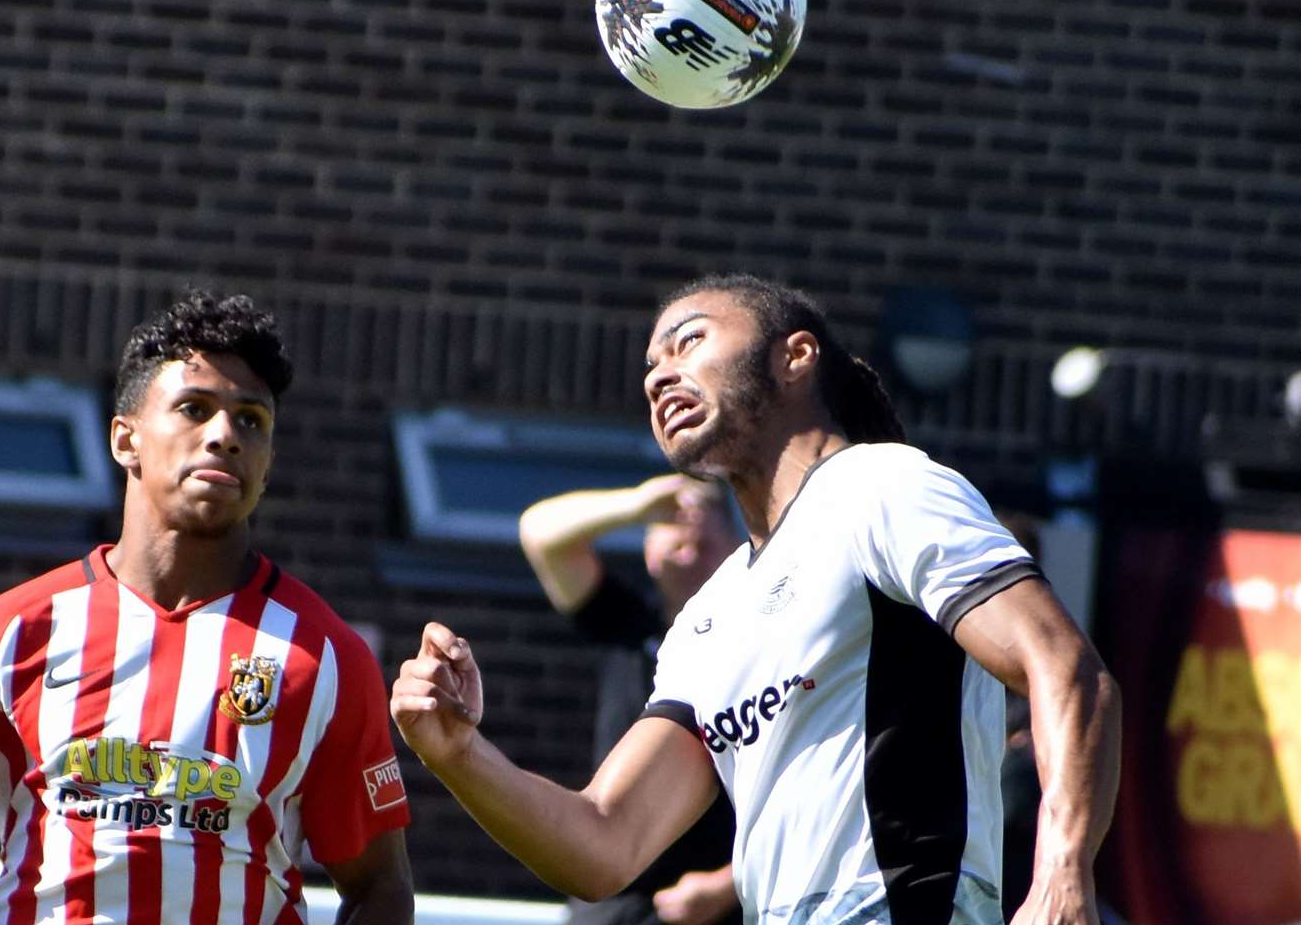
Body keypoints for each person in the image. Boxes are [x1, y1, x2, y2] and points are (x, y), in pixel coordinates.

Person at [392, 273, 1121, 925]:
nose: (658, 376)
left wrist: (1063, 871)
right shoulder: (709, 618)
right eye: (650, 366)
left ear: (795, 356)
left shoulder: (883, 487)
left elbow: (1063, 667)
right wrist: (460, 753)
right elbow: (604, 844)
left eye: (689, 342)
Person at [0, 291, 413, 924]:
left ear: (268, 464)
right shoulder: (9, 632)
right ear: (127, 439)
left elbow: (380, 891)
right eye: (194, 409)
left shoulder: (326, 657)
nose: (225, 435)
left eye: (251, 419)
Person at [519, 474, 742, 925]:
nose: (688, 537)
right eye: (672, 523)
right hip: (611, 903)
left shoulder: (763, 637)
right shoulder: (629, 624)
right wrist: (637, 505)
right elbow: (540, 533)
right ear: (647, 550)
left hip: (713, 907)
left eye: (708, 525)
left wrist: (730, 884)